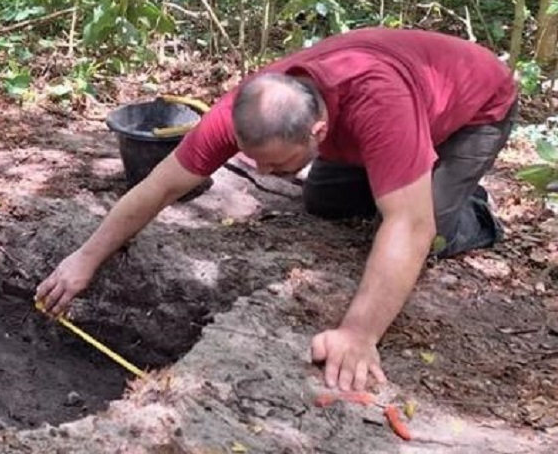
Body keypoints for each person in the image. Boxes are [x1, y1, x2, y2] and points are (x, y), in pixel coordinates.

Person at [36, 28, 517, 393]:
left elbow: (409, 226)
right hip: (389, 121)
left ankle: (473, 212)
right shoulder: (248, 109)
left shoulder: (379, 104)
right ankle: (406, 176)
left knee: (425, 232)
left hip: (475, 110)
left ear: (318, 132)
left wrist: (357, 333)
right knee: (323, 202)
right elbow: (159, 186)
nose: (265, 174)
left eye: (277, 164)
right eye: (256, 161)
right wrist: (86, 257)